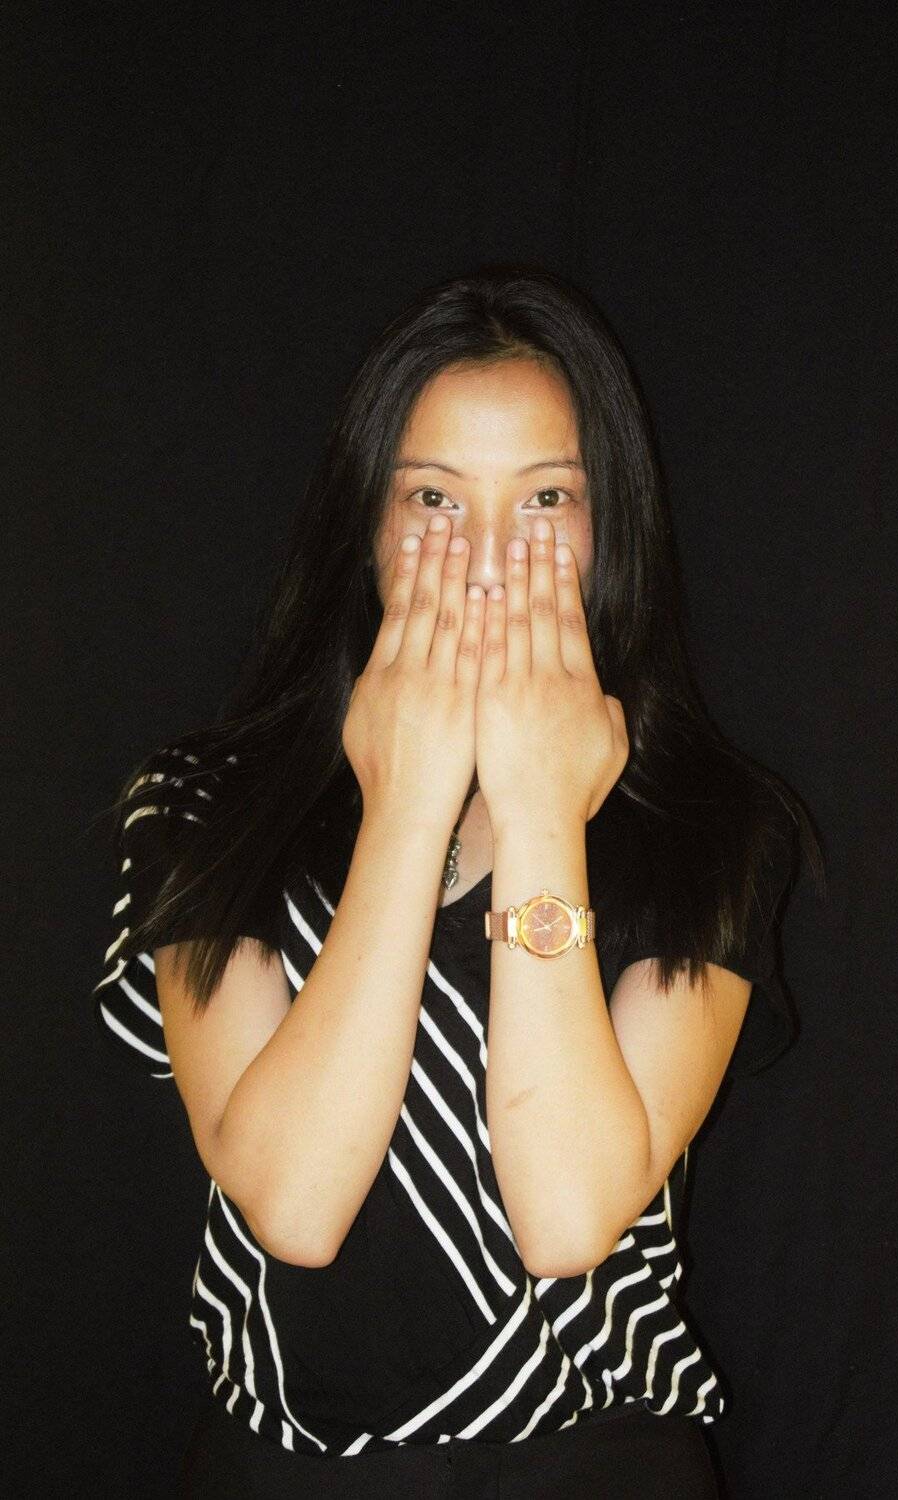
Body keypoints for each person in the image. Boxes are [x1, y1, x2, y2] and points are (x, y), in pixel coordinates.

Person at [91, 266, 824, 1498]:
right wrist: (408, 800)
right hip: (279, 1469)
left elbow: (569, 1217)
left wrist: (539, 814)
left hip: (594, 1464)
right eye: (433, 496)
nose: (486, 559)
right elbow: (293, 1203)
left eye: (545, 498)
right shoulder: (205, 807)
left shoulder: (710, 828)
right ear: (367, 522)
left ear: (609, 525)